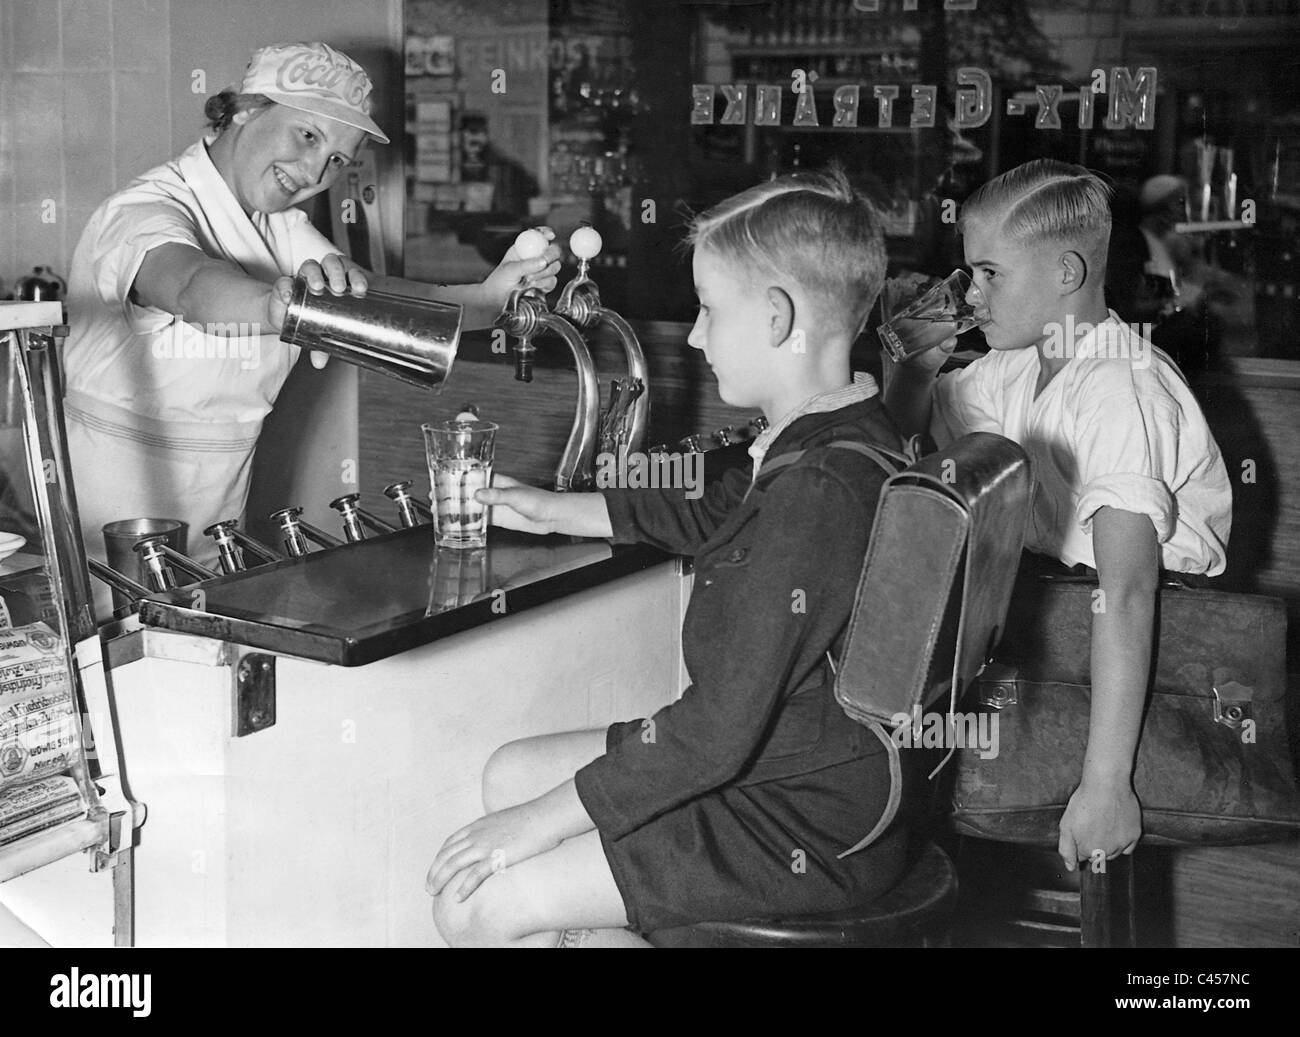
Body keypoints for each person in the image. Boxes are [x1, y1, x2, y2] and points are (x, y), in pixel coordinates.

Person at [426, 169, 909, 947]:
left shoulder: (816, 490)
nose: (693, 336)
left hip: (794, 819)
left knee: (473, 902)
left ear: (779, 317)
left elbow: (715, 732)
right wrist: (551, 511)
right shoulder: (839, 431)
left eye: (709, 311)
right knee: (507, 775)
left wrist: (532, 830)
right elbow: (707, 508)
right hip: (815, 770)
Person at [63, 41, 560, 610]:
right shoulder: (146, 210)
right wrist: (277, 308)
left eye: (337, 161)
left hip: (215, 519)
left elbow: (387, 299)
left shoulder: (279, 228)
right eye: (307, 136)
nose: (314, 171)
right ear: (245, 108)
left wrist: (493, 296)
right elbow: (189, 287)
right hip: (102, 531)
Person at [884, 159, 1233, 871]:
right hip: (1053, 631)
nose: (970, 295)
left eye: (988, 273)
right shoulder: (1014, 365)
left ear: (1067, 273)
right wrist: (914, 366)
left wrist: (1108, 784)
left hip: (1144, 645)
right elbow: (904, 440)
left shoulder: (1116, 384)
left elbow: (1130, 590)